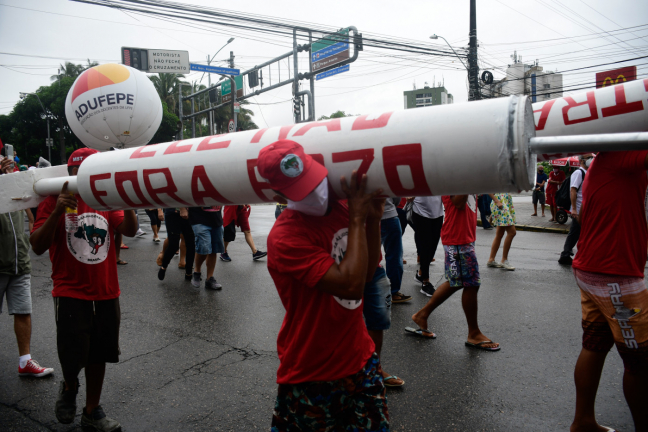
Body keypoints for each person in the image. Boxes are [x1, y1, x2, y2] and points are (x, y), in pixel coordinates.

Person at [259, 140, 389, 431]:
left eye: (313, 180)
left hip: (360, 356)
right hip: (313, 372)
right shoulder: (285, 237)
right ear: (278, 194)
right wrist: (357, 218)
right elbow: (351, 285)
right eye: (301, 189)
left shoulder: (341, 208)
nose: (315, 192)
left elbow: (367, 274)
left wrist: (372, 220)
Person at [30, 148, 138, 430]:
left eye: (88, 170)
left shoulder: (106, 198)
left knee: (99, 353)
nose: (81, 177)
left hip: (106, 290)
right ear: (69, 173)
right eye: (76, 171)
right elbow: (38, 245)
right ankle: (68, 386)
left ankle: (92, 410)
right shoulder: (54, 197)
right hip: (69, 290)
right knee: (72, 351)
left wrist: (128, 202)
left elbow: (128, 229)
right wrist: (57, 210)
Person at [570, 151, 648, 432]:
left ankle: (583, 422)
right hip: (613, 276)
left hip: (596, 270)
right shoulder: (623, 152)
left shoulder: (607, 158)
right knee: (641, 360)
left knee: (594, 345)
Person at [407, 194, 500, 352]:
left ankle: (422, 315)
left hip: (465, 236)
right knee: (469, 283)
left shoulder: (462, 176)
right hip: (457, 238)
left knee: (460, 282)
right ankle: (473, 333)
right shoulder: (455, 178)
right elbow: (458, 203)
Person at [0, 157, 54, 378]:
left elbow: (28, 202)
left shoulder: (12, 180)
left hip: (19, 260)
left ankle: (25, 361)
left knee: (23, 311)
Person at [558, 154, 592, 265]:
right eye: (588, 158)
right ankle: (565, 255)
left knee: (581, 233)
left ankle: (569, 254)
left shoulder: (588, 173)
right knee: (575, 233)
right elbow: (573, 191)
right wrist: (574, 209)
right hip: (578, 209)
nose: (591, 160)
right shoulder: (579, 173)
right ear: (582, 160)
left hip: (586, 209)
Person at [412, 196, 444, 296]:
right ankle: (425, 282)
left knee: (433, 246)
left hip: (438, 212)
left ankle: (421, 273)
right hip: (420, 211)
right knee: (426, 246)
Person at [381, 198, 411, 303]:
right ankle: (393, 292)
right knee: (394, 255)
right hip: (389, 215)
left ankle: (362, 292)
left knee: (365, 257)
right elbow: (396, 197)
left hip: (366, 215)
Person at [189, 205, 224, 290]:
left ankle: (209, 279)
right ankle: (197, 272)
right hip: (199, 217)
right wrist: (183, 209)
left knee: (214, 249)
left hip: (216, 219)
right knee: (203, 247)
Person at [158, 208, 195, 282]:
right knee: (173, 245)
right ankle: (164, 266)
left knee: (191, 244)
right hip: (172, 212)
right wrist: (159, 209)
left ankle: (189, 272)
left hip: (190, 211)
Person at [486, 193, 516, 271]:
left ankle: (491, 259)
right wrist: (497, 202)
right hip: (500, 203)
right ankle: (504, 260)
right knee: (512, 232)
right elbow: (489, 189)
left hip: (504, 203)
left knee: (499, 234)